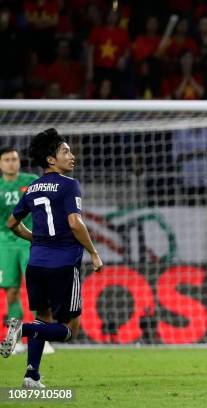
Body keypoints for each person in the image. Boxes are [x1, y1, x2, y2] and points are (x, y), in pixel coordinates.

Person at [0, 129, 103, 388]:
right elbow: (75, 223)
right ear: (51, 160)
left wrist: (34, 239)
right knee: (70, 330)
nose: (72, 155)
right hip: (64, 265)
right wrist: (93, 251)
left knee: (42, 318)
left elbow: (12, 222)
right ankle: (21, 330)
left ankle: (31, 375)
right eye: (65, 151)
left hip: (36, 264)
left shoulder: (32, 186)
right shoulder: (70, 185)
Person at [0, 147, 37, 354]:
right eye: (6, 159)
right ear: (0, 163)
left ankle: (43, 338)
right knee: (12, 292)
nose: (11, 163)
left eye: (14, 159)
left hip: (29, 241)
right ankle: (16, 340)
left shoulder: (31, 181)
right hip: (4, 243)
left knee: (36, 289)